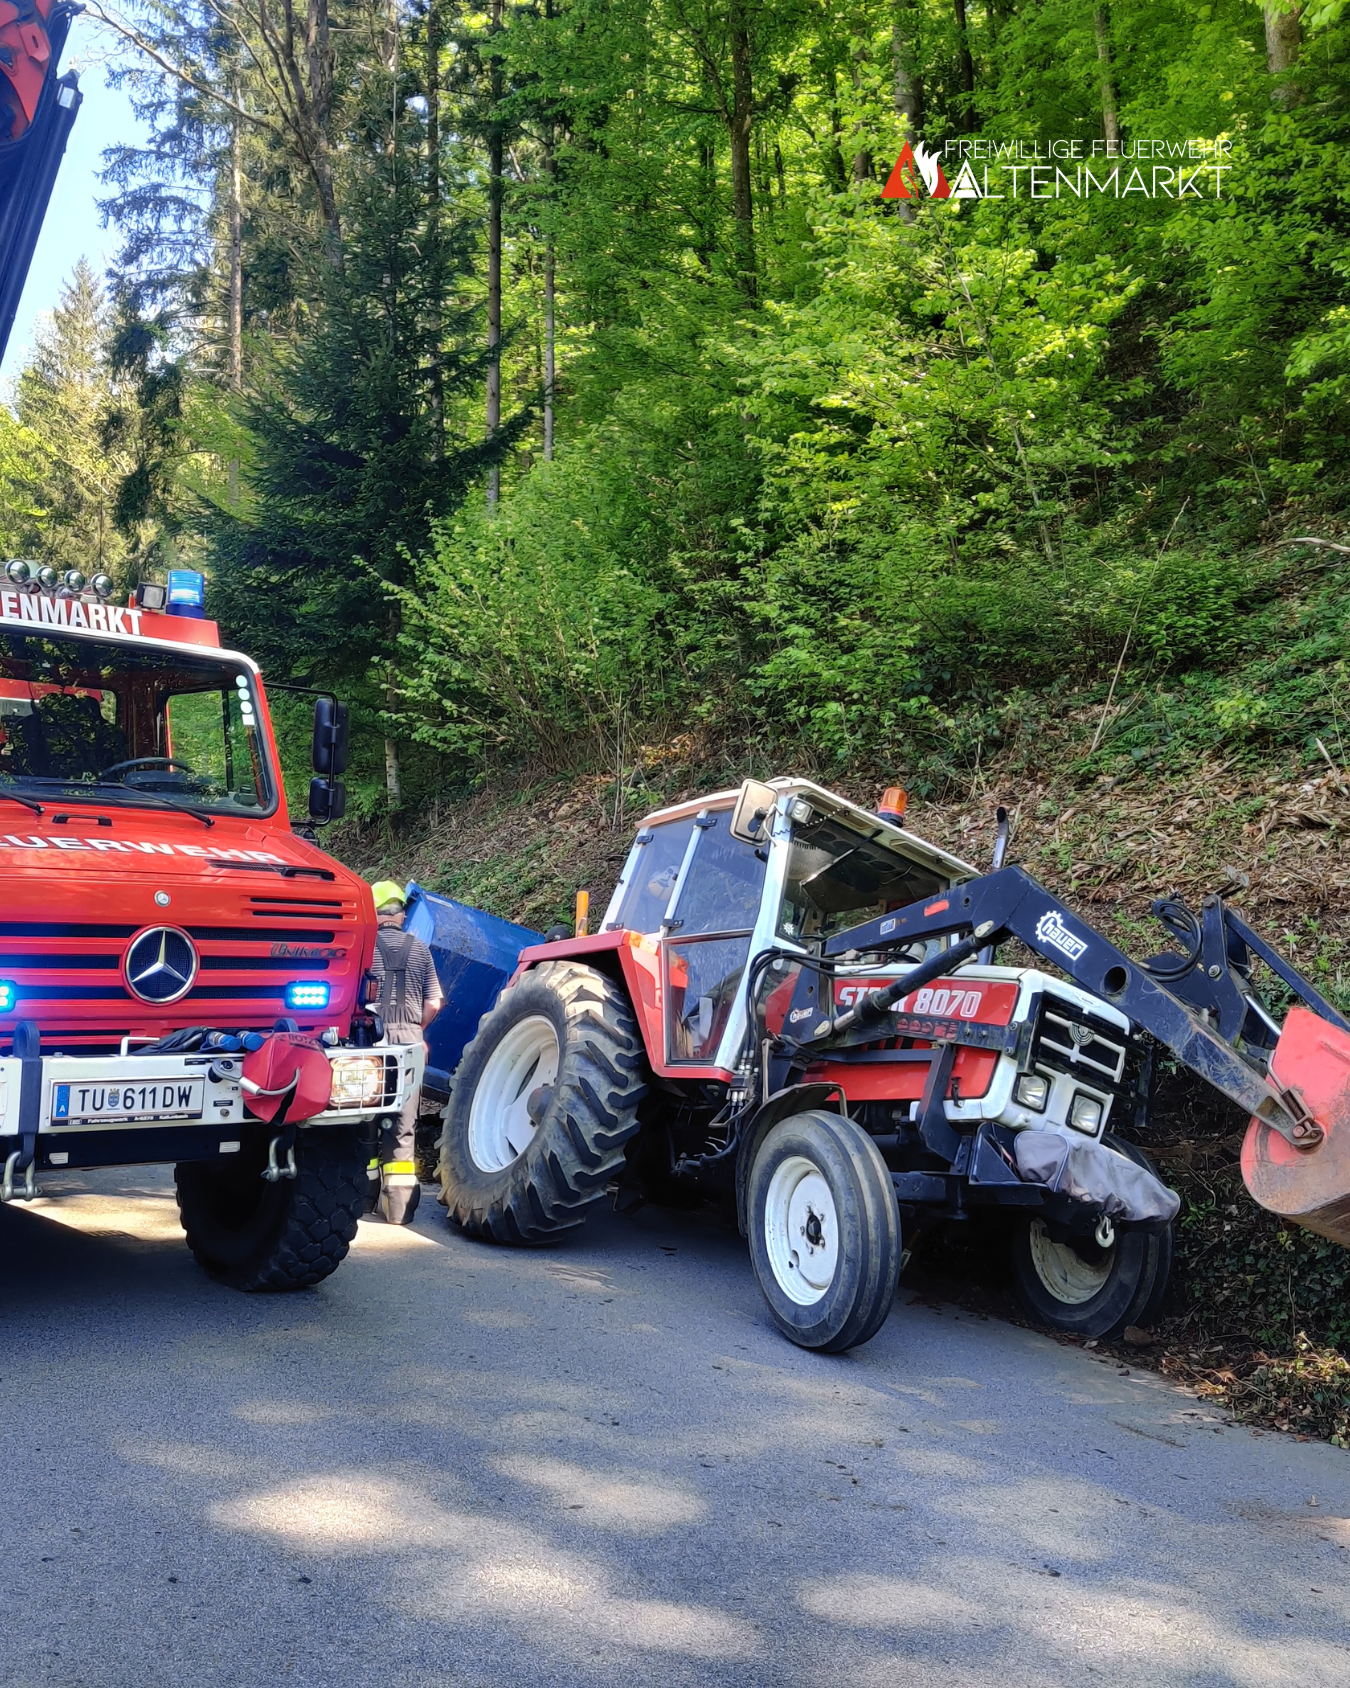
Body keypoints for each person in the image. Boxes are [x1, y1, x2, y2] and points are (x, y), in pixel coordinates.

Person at [367, 880, 444, 1224]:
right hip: (411, 1041)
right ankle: (398, 1211)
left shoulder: (365, 947)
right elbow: (434, 1002)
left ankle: (362, 1202)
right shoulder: (420, 949)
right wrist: (416, 1030)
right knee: (403, 1124)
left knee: (364, 1121)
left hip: (371, 1041)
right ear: (401, 914)